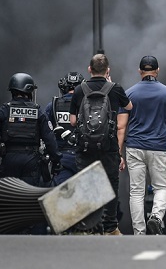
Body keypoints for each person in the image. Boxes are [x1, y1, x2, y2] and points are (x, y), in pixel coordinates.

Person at [119, 55, 166, 235]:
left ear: (140, 71)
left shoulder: (129, 94)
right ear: (157, 70)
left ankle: (139, 233)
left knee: (136, 192)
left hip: (134, 147)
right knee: (161, 188)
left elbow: (120, 126)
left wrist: (119, 153)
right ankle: (156, 216)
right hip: (159, 148)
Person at [69, 53, 132, 235]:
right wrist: (111, 87)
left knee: (85, 184)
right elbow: (129, 107)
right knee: (111, 185)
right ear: (107, 70)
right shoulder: (115, 88)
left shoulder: (80, 89)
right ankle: (110, 227)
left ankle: (85, 228)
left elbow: (73, 121)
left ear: (89, 69)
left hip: (85, 146)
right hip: (109, 146)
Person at [0, 73, 61, 187]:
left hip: (9, 159)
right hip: (31, 160)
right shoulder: (38, 112)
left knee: (8, 195)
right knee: (28, 197)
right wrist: (56, 160)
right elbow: (49, 139)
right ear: (29, 90)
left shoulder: (3, 111)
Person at [43, 71, 84, 186]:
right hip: (83, 158)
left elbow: (44, 132)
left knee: (63, 196)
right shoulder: (87, 106)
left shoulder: (53, 105)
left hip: (61, 158)